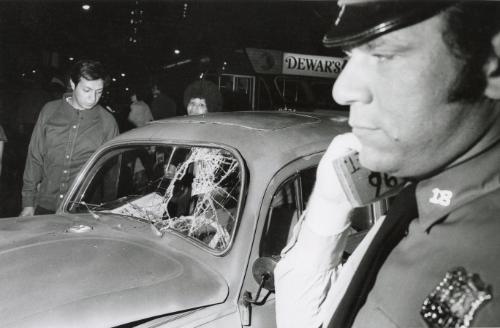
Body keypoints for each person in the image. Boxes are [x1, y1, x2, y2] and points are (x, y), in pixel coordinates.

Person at [275, 1, 500, 327]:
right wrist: (328, 206)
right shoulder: (428, 194)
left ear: (493, 64)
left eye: (383, 55)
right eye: (350, 57)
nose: (342, 90)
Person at [20, 59, 119, 216]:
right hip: (45, 204)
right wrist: (28, 203)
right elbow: (34, 158)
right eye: (87, 90)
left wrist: (107, 210)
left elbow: (111, 173)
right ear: (73, 84)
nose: (93, 98)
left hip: (83, 211)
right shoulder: (49, 111)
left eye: (99, 92)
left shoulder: (107, 122)